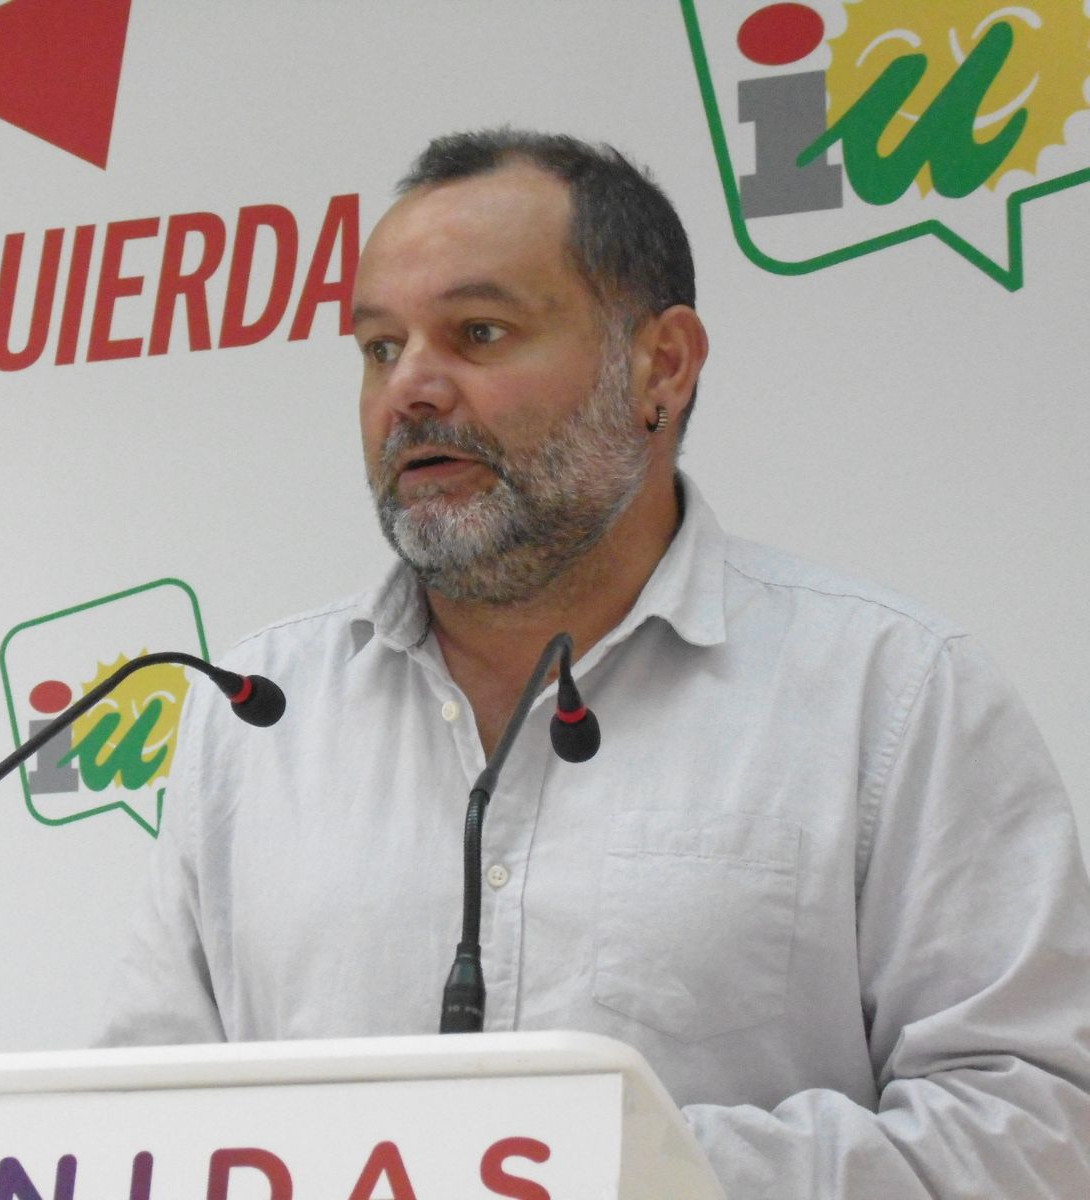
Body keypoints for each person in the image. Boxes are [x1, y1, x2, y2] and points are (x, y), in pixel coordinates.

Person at [96, 129, 1090, 1197]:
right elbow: (141, 1132)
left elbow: (1031, 1131)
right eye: (380, 348)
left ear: (660, 366)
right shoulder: (258, 720)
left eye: (477, 332)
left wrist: (597, 1168)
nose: (411, 391)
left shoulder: (888, 695)